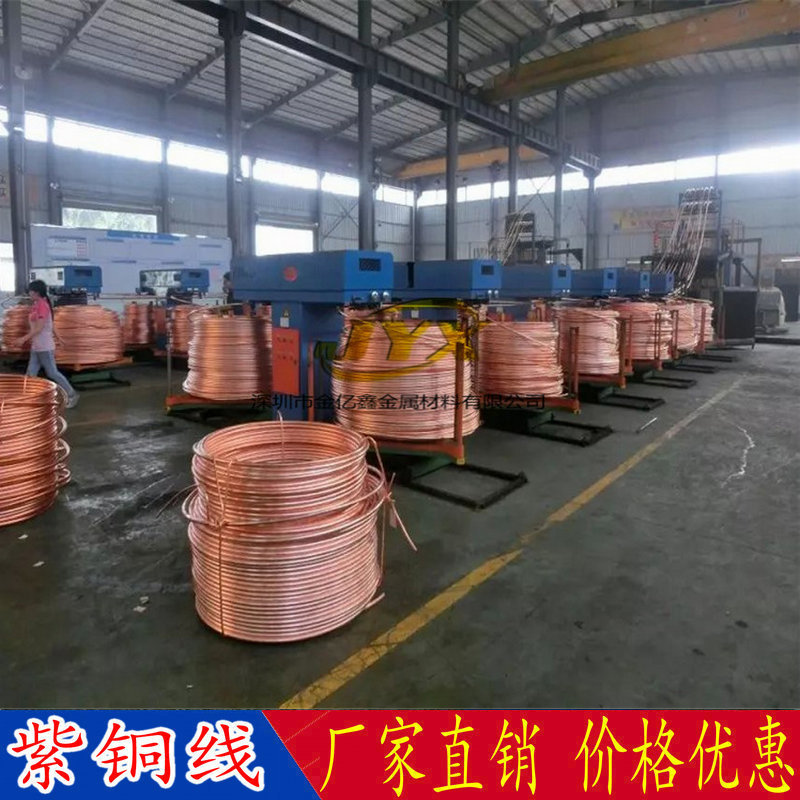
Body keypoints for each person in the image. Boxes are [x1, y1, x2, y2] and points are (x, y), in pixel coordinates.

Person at [18, 280, 80, 409]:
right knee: (30, 374)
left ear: (36, 292)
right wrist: (60, 338)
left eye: (30, 291)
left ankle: (72, 394)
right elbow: (51, 325)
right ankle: (29, 400)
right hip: (36, 346)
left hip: (45, 347)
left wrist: (23, 338)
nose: (29, 294)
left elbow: (40, 328)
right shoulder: (36, 305)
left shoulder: (43, 306)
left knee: (52, 373)